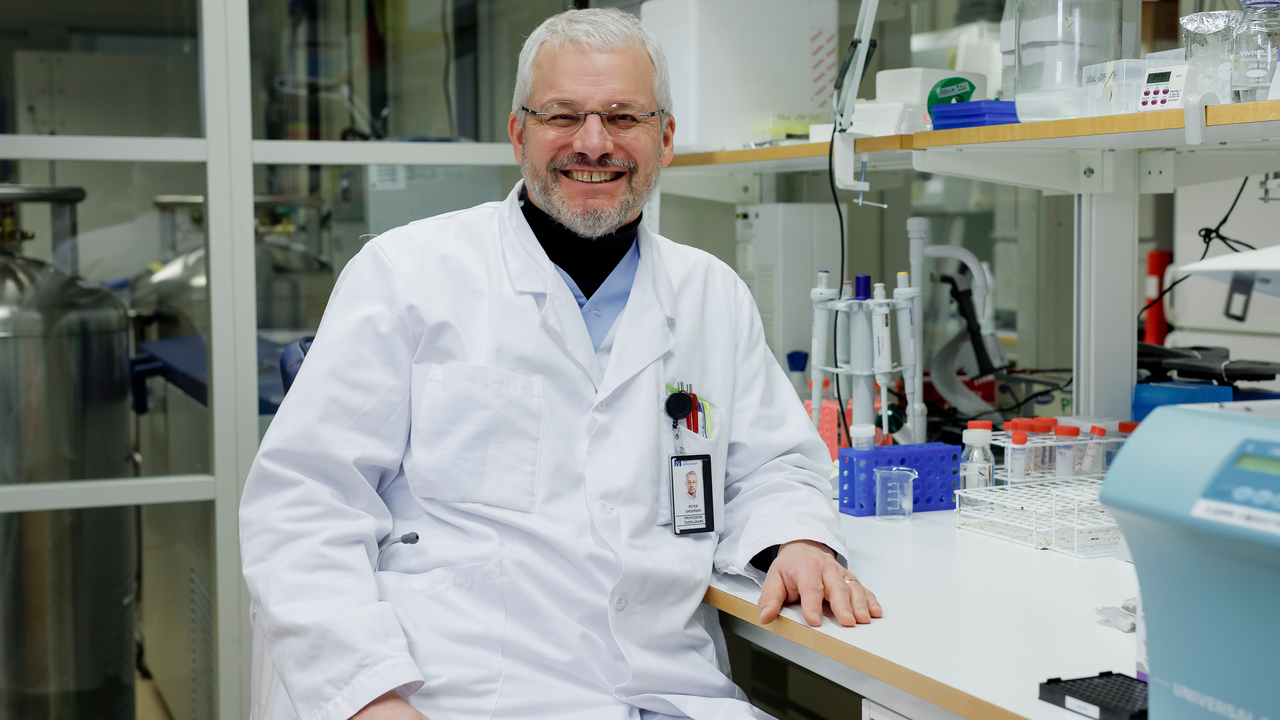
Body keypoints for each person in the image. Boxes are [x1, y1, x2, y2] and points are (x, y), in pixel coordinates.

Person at [239, 9, 880, 720]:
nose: (594, 143)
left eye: (624, 116)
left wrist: (798, 536)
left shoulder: (710, 294)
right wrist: (369, 698)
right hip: (458, 695)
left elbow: (774, 463)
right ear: (519, 133)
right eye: (563, 115)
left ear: (665, 139)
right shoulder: (406, 275)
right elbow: (302, 507)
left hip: (667, 690)